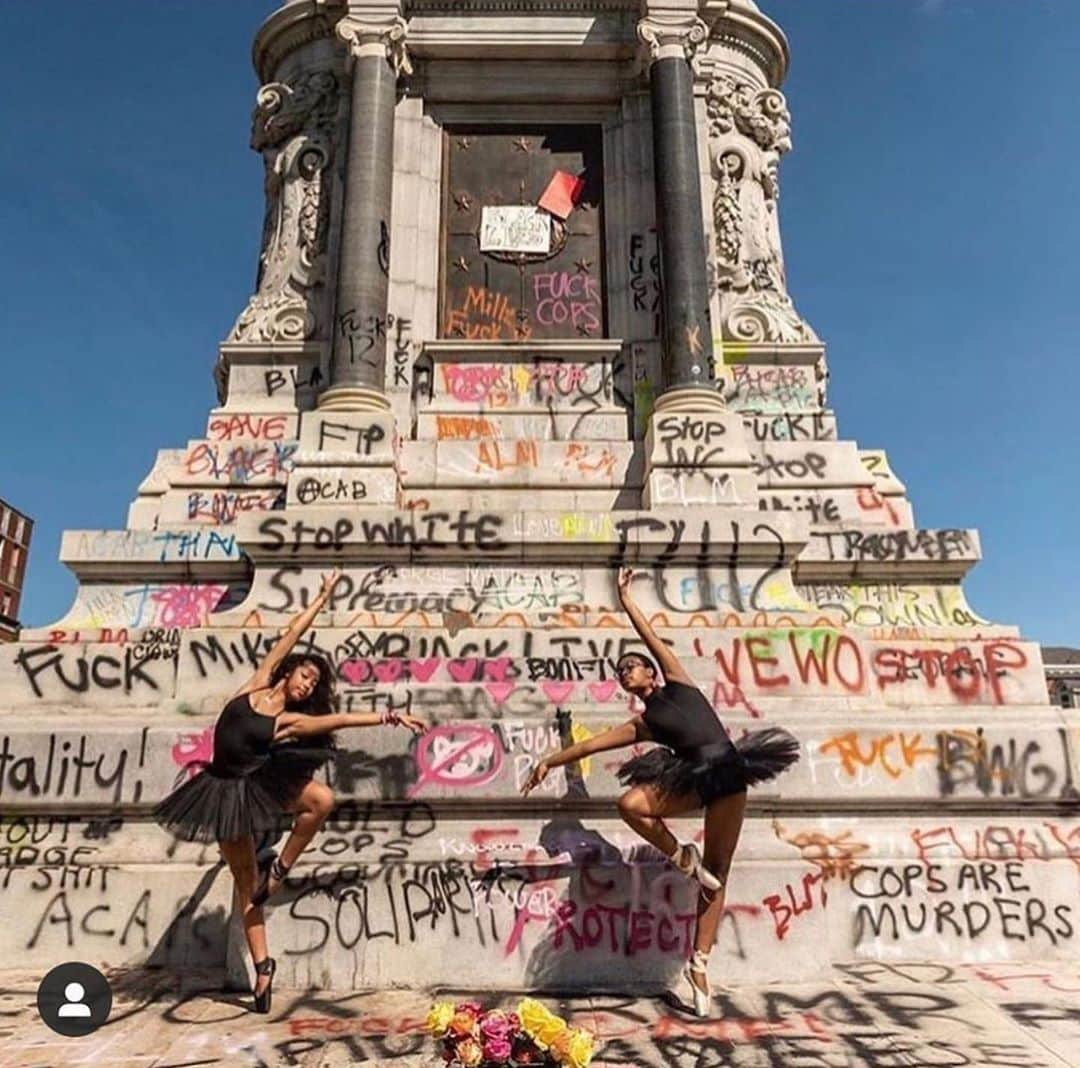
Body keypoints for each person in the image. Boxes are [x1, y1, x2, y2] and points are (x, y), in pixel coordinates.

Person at [521, 566, 799, 1017]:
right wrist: (549, 759)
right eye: (619, 672)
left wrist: (626, 599)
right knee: (630, 804)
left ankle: (699, 962)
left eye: (630, 666)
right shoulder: (643, 724)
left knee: (717, 875)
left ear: (650, 672)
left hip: (727, 773)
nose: (624, 672)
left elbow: (649, 635)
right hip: (691, 777)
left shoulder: (680, 682)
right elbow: (591, 746)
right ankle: (680, 855)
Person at [153, 568, 424, 1013]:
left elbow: (336, 721)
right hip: (221, 792)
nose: (307, 685)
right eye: (304, 676)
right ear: (289, 671)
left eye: (314, 684)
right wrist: (322, 598)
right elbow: (291, 633)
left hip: (256, 786)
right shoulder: (257, 682)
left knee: (321, 801)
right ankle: (263, 968)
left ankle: (281, 866)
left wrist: (390, 717)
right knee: (246, 885)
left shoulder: (289, 722)